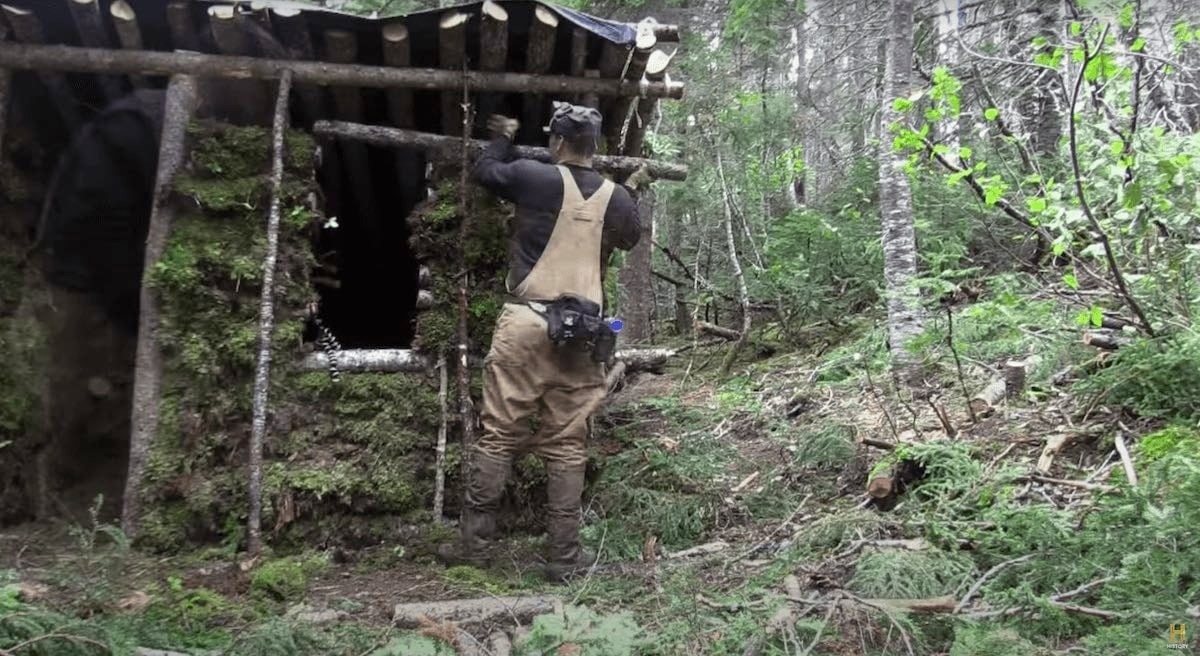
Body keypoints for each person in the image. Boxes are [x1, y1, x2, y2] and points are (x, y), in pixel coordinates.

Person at [437, 101, 652, 581]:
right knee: (567, 443)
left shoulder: (536, 177)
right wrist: (632, 192)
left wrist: (504, 135)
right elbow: (628, 238)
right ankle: (563, 561)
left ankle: (475, 550)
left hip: (527, 321)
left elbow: (487, 170)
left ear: (556, 142)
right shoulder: (615, 197)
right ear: (594, 149)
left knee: (499, 433)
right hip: (585, 334)